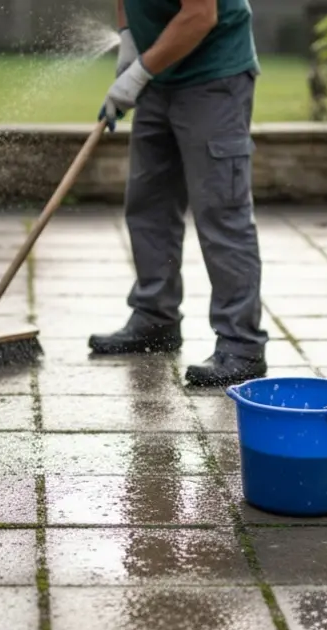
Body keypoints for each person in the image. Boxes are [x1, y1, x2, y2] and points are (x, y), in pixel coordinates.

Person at [88, 0, 268, 388]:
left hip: (214, 76)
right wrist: (128, 41)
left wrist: (139, 72)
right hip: (159, 75)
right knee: (148, 203)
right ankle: (155, 319)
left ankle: (241, 345)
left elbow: (201, 14)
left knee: (221, 211)